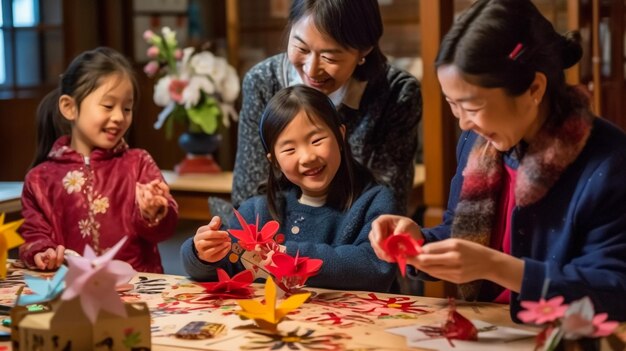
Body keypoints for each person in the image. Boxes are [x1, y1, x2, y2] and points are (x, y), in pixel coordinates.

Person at [369, 0, 626, 322]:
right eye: (453, 104)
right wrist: (418, 241)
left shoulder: (608, 162)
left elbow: (615, 290)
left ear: (534, 88)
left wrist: (499, 268)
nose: (463, 123)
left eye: (472, 107)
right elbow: (463, 234)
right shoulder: (480, 143)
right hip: (490, 327)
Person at [182, 85, 399, 292]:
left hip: (352, 327)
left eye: (317, 140)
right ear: (274, 161)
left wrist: (290, 256)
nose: (307, 157)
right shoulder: (257, 212)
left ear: (340, 135)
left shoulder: (375, 201)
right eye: (289, 149)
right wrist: (201, 253)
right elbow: (223, 268)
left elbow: (375, 265)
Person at [231, 0, 422, 214]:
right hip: (278, 234)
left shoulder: (395, 92)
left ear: (364, 50)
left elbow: (388, 205)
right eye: (301, 48)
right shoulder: (263, 82)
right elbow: (249, 195)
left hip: (357, 236)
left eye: (329, 57)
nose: (312, 70)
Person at [19, 47, 179, 273]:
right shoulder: (40, 180)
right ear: (69, 107)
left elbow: (165, 231)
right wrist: (42, 252)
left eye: (127, 108)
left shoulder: (138, 163)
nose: (119, 117)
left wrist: (154, 212)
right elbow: (34, 235)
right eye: (108, 106)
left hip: (138, 292)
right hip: (71, 291)